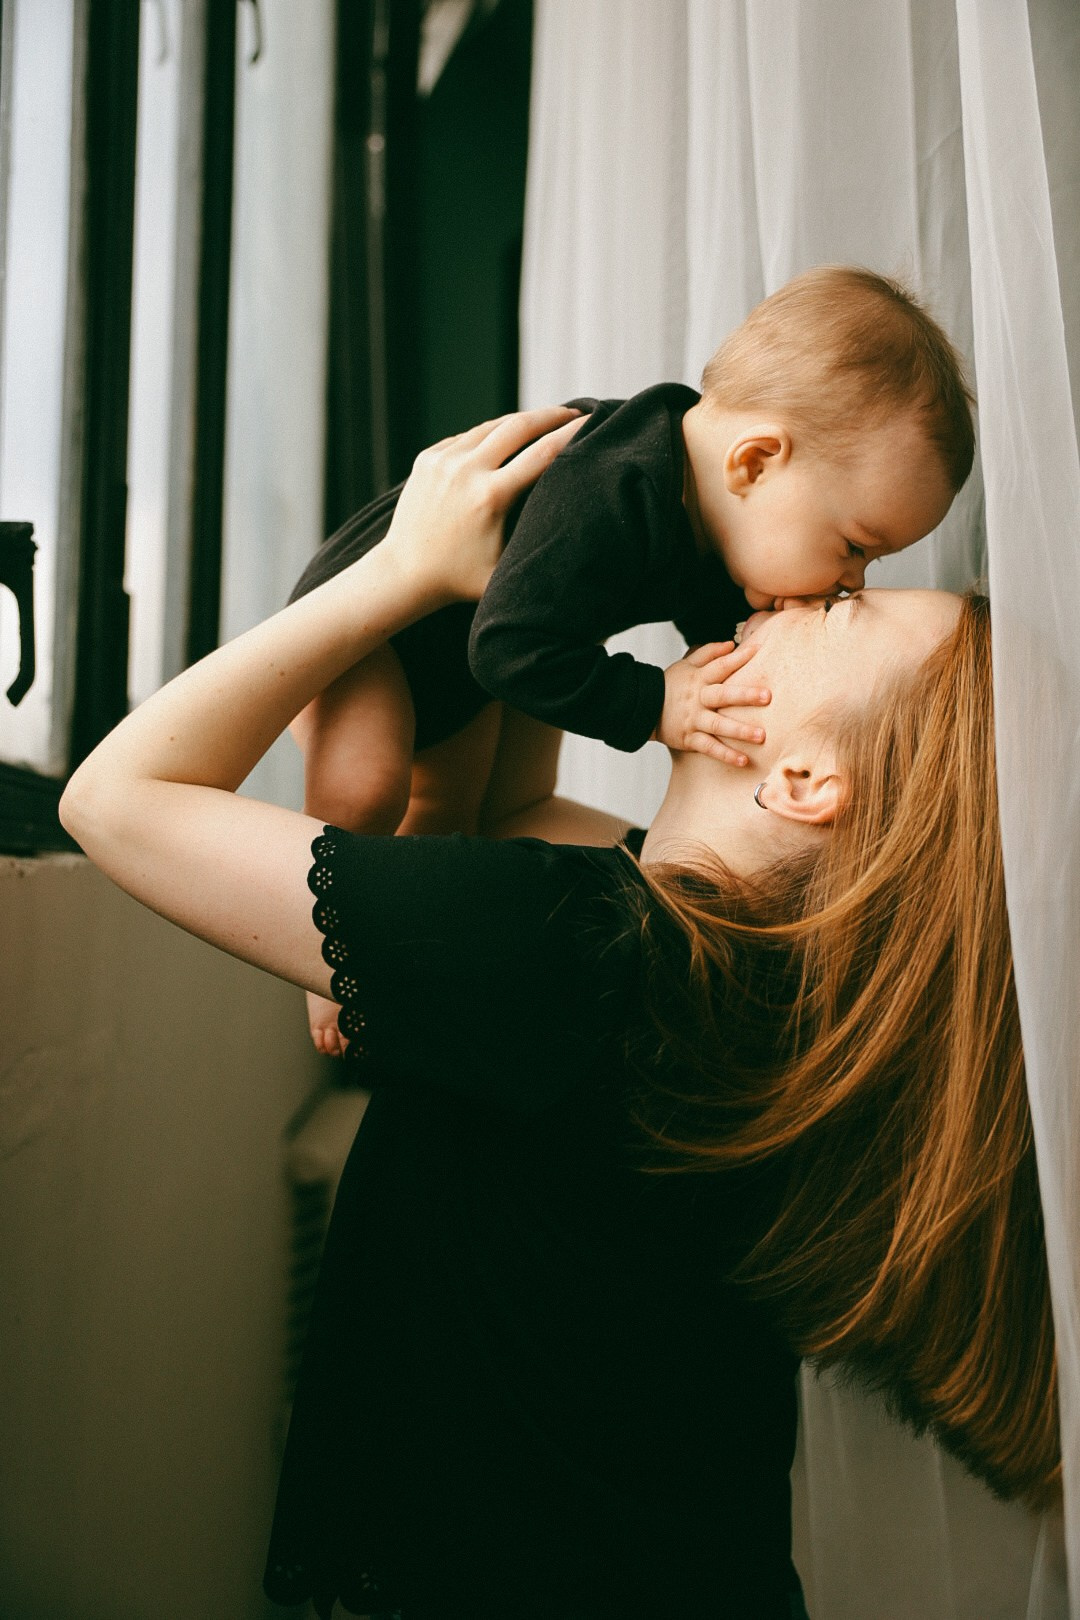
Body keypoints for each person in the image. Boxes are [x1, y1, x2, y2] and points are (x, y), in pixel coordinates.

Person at [59, 410, 1057, 1619]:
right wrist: (550, 563)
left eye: (843, 611)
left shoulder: (568, 950)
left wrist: (398, 574)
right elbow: (515, 806)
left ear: (804, 780)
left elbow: (117, 799)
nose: (805, 596)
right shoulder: (749, 988)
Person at [291, 266, 975, 1055]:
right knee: (366, 790)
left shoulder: (718, 523)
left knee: (451, 821)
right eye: (855, 547)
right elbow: (510, 647)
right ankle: (322, 963)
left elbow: (721, 659)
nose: (849, 581)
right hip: (379, 627)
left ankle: (402, 984)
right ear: (753, 465)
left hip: (469, 642)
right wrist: (655, 705)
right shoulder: (617, 488)